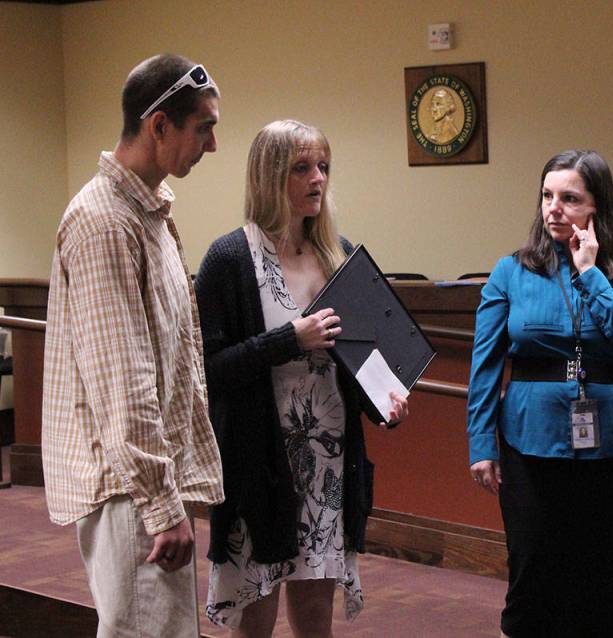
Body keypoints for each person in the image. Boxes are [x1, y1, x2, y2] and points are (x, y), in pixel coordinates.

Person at [195, 119, 409, 636]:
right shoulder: (229, 259)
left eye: (323, 167)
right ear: (270, 175)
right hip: (260, 466)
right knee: (256, 620)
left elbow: (359, 360)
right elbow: (207, 371)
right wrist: (289, 339)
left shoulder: (338, 254)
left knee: (316, 619)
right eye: (302, 168)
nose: (318, 179)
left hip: (327, 464)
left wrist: (383, 404)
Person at [41, 54, 224, 637]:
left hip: (148, 484)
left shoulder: (146, 210)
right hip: (132, 491)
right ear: (159, 125)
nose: (212, 144)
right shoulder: (104, 223)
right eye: (204, 127)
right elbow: (124, 381)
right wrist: (161, 505)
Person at [467, 149, 613, 638]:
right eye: (547, 196)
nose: (553, 208)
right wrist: (481, 444)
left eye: (570, 198)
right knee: (532, 577)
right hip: (530, 440)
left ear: (597, 206)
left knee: (604, 580)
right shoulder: (511, 271)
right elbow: (485, 365)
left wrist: (591, 272)